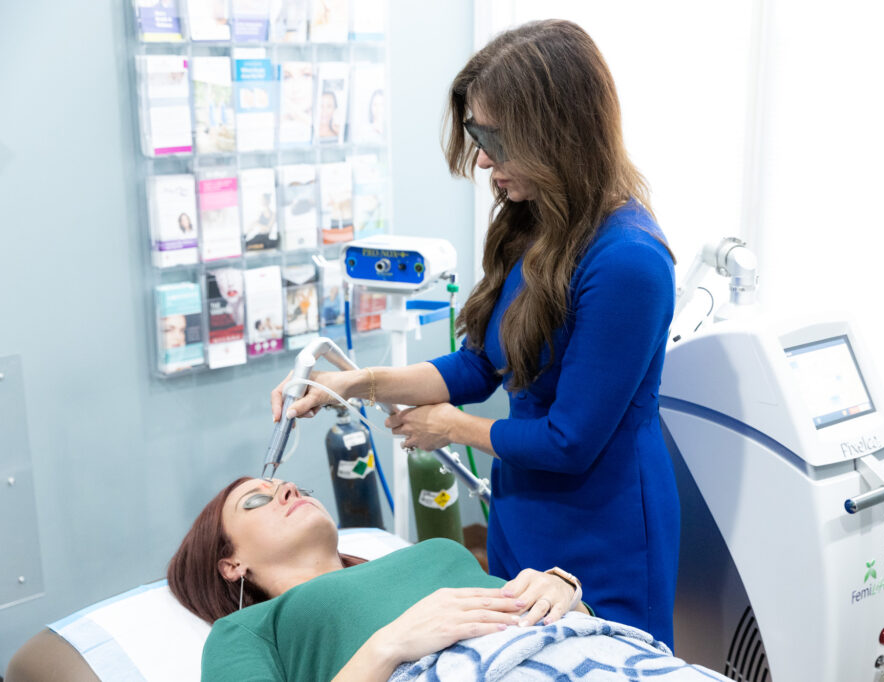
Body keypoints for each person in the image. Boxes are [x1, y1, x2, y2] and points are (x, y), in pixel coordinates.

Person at [271, 19, 680, 646]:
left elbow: (572, 441)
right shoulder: (535, 221)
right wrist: (359, 382)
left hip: (603, 524)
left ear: (555, 132)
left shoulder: (628, 261)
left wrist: (452, 428)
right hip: (523, 507)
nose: (482, 157)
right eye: (475, 134)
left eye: (492, 136)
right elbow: (478, 366)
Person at [168, 477, 591, 680]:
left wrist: (563, 592)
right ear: (232, 564)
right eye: (257, 500)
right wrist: (390, 645)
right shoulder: (247, 629)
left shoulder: (427, 553)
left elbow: (548, 614)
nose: (289, 491)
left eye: (298, 487)